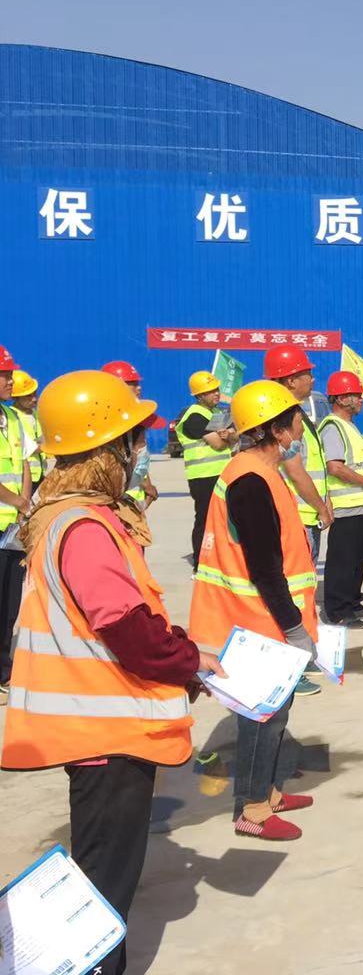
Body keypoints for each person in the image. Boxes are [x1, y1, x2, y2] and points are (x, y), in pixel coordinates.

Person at [1, 369, 223, 975]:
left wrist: (180, 654)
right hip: (106, 733)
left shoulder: (67, 517)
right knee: (102, 891)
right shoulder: (85, 528)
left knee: (100, 872)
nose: (139, 451)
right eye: (133, 440)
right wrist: (188, 661)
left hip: (96, 728)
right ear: (107, 448)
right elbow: (127, 630)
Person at [190, 380, 320, 840]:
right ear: (277, 430)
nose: (301, 427)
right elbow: (265, 569)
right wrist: (294, 627)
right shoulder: (250, 481)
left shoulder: (263, 470)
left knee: (276, 713)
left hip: (265, 618)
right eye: (297, 419)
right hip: (255, 621)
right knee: (260, 718)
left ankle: (269, 792)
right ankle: (252, 809)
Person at [318, 371, 363, 628]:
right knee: (343, 561)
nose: (361, 399)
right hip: (346, 508)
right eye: (356, 395)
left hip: (361, 506)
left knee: (357, 559)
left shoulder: (349, 426)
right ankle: (337, 610)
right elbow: (335, 467)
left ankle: (353, 601)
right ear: (341, 398)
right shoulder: (333, 427)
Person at [263, 345, 333, 563]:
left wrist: (325, 499)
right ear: (291, 381)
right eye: (308, 374)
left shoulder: (294, 412)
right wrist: (322, 508)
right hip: (297, 516)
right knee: (299, 576)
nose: (313, 379)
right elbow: (295, 471)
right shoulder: (285, 417)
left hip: (305, 512)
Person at [176, 371, 237, 568]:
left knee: (223, 519)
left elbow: (236, 436)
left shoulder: (217, 413)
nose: (216, 394)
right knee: (205, 519)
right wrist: (227, 437)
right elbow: (218, 443)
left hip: (222, 474)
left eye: (217, 389)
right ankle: (200, 563)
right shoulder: (194, 416)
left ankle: (219, 560)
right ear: (199, 395)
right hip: (203, 477)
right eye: (210, 391)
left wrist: (229, 436)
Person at [0, 347, 33, 697]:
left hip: (12, 527)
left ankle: (4, 672)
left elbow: (24, 463)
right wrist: (17, 501)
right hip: (6, 515)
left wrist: (24, 503)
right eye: (4, 375)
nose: (11, 380)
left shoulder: (13, 418)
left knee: (10, 606)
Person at [102, 361, 161, 515]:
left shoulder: (103, 419)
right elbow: (137, 456)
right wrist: (146, 485)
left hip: (118, 493)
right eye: (132, 384)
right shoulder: (126, 421)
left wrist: (146, 483)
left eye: (138, 383)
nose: (139, 388)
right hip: (124, 494)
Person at [11, 369, 44, 490]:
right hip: (24, 477)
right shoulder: (13, 417)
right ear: (16, 398)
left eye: (35, 394)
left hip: (40, 474)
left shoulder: (36, 414)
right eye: (28, 396)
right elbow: (29, 448)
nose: (34, 399)